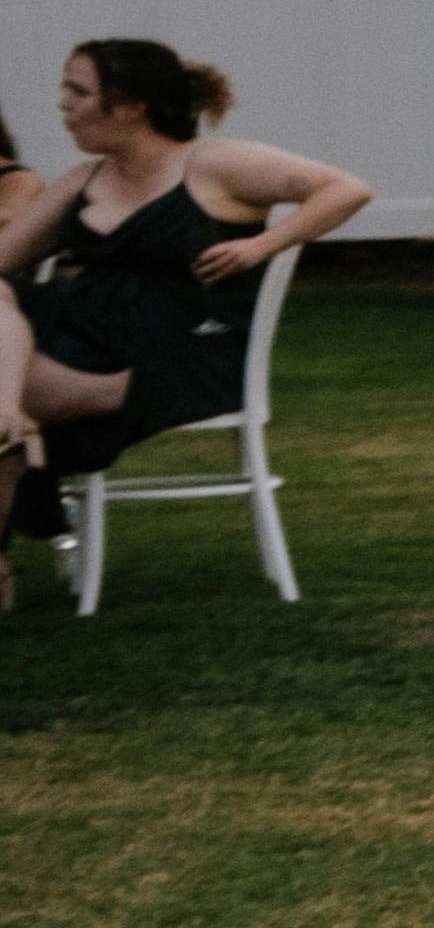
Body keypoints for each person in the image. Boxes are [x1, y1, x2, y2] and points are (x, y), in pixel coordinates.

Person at [5, 41, 363, 561]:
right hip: (84, 337)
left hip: (178, 352)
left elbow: (346, 189)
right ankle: (15, 440)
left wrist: (261, 245)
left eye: (78, 91)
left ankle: (20, 452)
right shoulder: (84, 180)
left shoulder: (212, 163)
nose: (63, 103)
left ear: (131, 106)